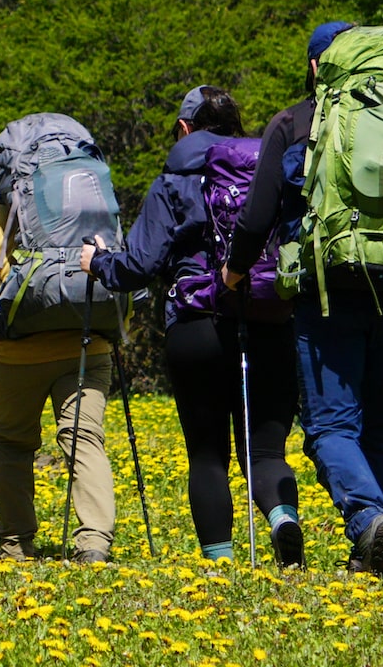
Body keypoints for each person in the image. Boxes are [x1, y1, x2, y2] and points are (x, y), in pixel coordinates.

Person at [223, 21, 383, 577]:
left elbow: (257, 214)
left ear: (315, 66)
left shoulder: (295, 122)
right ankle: (381, 553)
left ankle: (370, 522)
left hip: (331, 289)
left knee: (331, 427)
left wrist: (233, 272)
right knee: (379, 425)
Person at [82, 86, 306, 567]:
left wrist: (98, 262)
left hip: (196, 326)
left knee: (207, 454)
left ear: (184, 129)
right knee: (265, 450)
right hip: (268, 319)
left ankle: (221, 563)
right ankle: (282, 518)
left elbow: (140, 264)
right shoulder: (271, 167)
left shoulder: (174, 178)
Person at [0, 138, 117, 564]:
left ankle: (15, 544)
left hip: (17, 354)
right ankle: (94, 543)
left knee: (11, 444)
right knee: (84, 440)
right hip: (87, 342)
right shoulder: (89, 211)